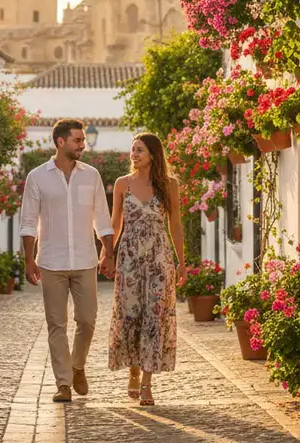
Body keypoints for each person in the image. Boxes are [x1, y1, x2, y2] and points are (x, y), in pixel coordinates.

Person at [20, 118, 115, 403]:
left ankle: (77, 366)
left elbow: (103, 218)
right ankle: (63, 383)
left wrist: (108, 252)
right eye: (77, 140)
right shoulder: (37, 177)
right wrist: (28, 260)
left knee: (87, 320)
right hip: (51, 261)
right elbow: (28, 222)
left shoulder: (92, 176)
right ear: (61, 142)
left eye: (83, 140)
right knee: (56, 325)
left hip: (85, 259)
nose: (82, 145)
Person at [107, 132, 186, 406]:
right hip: (129, 258)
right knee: (130, 315)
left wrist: (181, 261)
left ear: (153, 154)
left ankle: (147, 384)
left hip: (158, 258)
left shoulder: (169, 185)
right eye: (132, 149)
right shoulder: (122, 184)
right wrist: (106, 254)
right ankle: (132, 371)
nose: (134, 154)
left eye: (140, 150)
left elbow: (175, 224)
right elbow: (115, 223)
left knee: (154, 317)